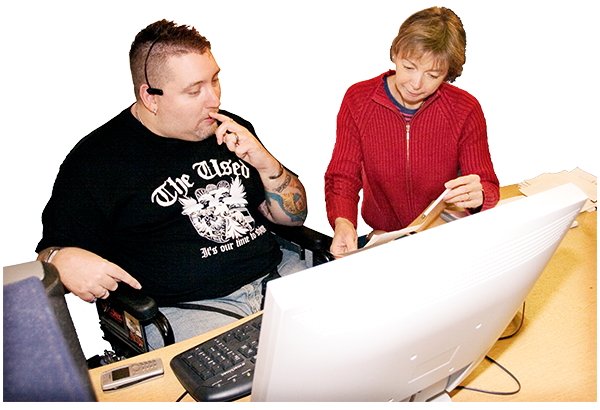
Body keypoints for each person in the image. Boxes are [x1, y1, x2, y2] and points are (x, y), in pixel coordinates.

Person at [36, 20, 308, 348]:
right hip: (189, 311)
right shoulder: (96, 163)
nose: (214, 100)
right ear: (150, 96)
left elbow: (294, 218)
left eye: (215, 80)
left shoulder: (233, 131)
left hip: (279, 277)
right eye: (194, 90)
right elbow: (48, 256)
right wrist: (59, 261)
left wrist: (267, 164)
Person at [325, 7, 500, 256]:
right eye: (409, 67)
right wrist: (343, 222)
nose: (416, 84)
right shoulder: (359, 99)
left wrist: (480, 195)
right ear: (395, 54)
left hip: (444, 236)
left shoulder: (465, 109)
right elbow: (343, 175)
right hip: (384, 238)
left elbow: (487, 184)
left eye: (432, 75)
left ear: (448, 73)